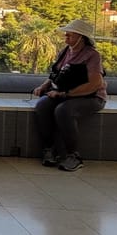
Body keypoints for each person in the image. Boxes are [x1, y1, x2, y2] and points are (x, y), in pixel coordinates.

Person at [33, 19, 107, 172]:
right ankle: (49, 149)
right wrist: (44, 86)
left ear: (81, 37)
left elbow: (94, 84)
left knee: (64, 110)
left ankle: (73, 155)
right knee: (43, 106)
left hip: (90, 97)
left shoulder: (92, 56)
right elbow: (57, 74)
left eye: (70, 36)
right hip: (64, 94)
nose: (66, 38)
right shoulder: (65, 51)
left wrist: (65, 94)